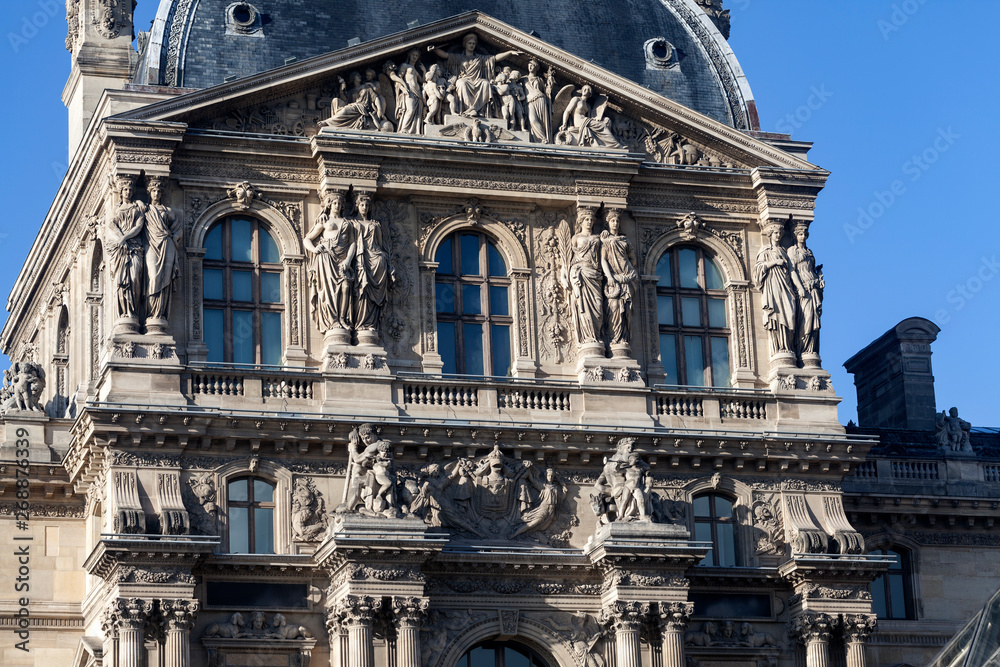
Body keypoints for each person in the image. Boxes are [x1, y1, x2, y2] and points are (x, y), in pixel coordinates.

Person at [428, 33, 522, 117]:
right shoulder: (459, 57)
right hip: (464, 79)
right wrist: (435, 50)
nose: (472, 45)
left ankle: (479, 110)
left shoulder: (480, 58)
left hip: (477, 80)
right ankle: (470, 109)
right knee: (462, 84)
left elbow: (495, 58)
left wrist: (509, 52)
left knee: (485, 83)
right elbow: (445, 55)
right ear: (465, 44)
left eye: (473, 43)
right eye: (470, 43)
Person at [303, 191, 356, 333]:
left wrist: (348, 260)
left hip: (342, 259)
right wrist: (314, 249)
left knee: (345, 287)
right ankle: (333, 321)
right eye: (334, 203)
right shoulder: (324, 221)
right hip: (326, 257)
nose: (337, 206)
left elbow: (352, 244)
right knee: (329, 291)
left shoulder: (347, 223)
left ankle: (343, 318)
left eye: (339, 203)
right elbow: (307, 239)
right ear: (329, 205)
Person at [105, 175, 147, 331]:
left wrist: (124, 237)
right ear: (121, 191)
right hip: (120, 250)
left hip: (135, 247)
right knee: (121, 282)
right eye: (125, 189)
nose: (128, 191)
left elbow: (138, 227)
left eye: (130, 189)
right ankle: (125, 314)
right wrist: (120, 239)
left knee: (135, 279)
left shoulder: (137, 209)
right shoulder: (116, 209)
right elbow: (112, 224)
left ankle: (133, 313)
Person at [753, 221, 798, 358]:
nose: (778, 235)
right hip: (773, 286)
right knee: (777, 315)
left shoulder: (784, 251)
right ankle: (780, 347)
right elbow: (758, 269)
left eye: (780, 233)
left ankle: (788, 345)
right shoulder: (765, 250)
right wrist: (775, 263)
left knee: (789, 314)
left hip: (786, 286)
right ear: (770, 234)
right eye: (775, 233)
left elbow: (792, 270)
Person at [143, 177, 182, 332]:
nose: (157, 193)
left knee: (164, 281)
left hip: (166, 246)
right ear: (149, 192)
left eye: (159, 191)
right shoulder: (145, 209)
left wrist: (172, 240)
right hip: (151, 246)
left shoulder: (168, 211)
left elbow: (178, 229)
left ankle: (159, 315)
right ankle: (151, 314)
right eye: (154, 191)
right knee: (152, 278)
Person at [562, 207, 604, 348]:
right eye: (586, 219)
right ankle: (588, 338)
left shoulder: (598, 238)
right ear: (580, 221)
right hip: (580, 273)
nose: (589, 222)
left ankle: (596, 335)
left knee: (598, 307)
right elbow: (568, 259)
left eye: (591, 219)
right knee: (583, 306)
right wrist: (566, 273)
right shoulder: (576, 238)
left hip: (595, 274)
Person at [352, 193, 394, 336]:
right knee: (362, 290)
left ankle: (370, 323)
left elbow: (381, 245)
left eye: (367, 205)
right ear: (357, 206)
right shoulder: (352, 223)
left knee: (373, 296)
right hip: (360, 259)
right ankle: (360, 323)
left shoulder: (375, 224)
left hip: (376, 258)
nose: (365, 208)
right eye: (362, 205)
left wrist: (386, 260)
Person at [600, 209, 637, 351]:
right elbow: (603, 260)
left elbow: (632, 259)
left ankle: (622, 339)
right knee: (614, 308)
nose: (615, 223)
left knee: (626, 311)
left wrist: (627, 274)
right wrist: (610, 277)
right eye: (612, 221)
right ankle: (614, 339)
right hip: (613, 280)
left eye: (617, 221)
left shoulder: (625, 240)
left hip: (627, 278)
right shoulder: (606, 241)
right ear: (608, 223)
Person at [787, 222, 824, 358]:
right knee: (807, 319)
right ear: (796, 235)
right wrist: (800, 287)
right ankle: (804, 348)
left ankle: (811, 349)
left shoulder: (809, 251)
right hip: (804, 289)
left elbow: (810, 269)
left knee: (815, 320)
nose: (803, 237)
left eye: (805, 234)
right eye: (800, 234)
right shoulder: (792, 251)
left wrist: (819, 277)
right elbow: (792, 271)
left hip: (814, 289)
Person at [524, 59, 552, 143]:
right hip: (529, 102)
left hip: (540, 100)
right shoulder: (523, 79)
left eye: (532, 65)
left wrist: (550, 82)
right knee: (532, 120)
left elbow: (546, 92)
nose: (530, 66)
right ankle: (542, 138)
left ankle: (542, 140)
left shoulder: (540, 80)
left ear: (536, 67)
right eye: (529, 64)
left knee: (541, 122)